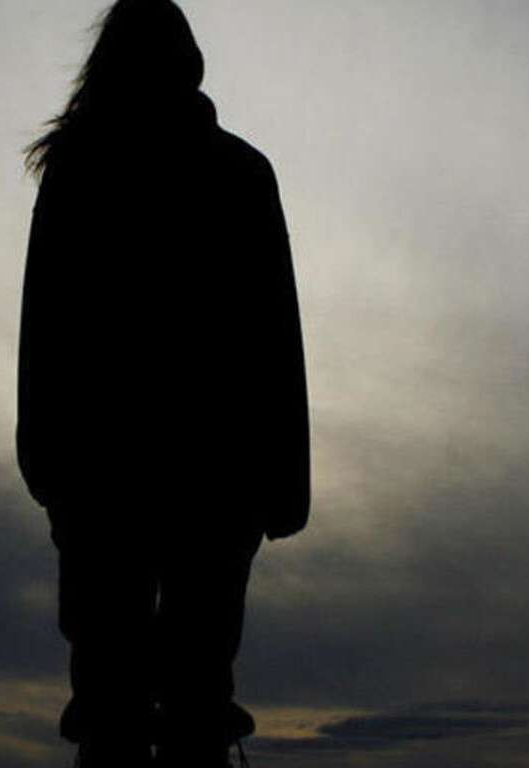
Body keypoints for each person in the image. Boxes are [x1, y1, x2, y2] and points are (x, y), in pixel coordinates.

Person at [16, 1, 309, 765]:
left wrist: (44, 460)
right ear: (190, 65)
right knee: (190, 696)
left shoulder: (80, 167)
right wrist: (284, 484)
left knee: (118, 699)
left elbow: (45, 326)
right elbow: (275, 335)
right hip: (207, 478)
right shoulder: (238, 171)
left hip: (107, 476)